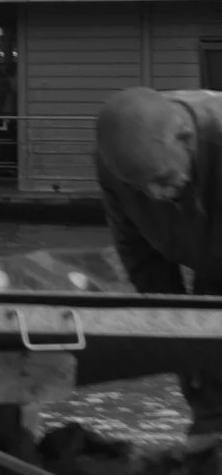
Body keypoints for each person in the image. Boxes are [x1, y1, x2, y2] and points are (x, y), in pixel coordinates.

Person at [96, 86, 222, 434]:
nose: (155, 194)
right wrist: (177, 332)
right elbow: (140, 255)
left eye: (163, 179)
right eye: (140, 187)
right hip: (210, 258)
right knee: (199, 361)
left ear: (186, 139)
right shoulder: (119, 164)